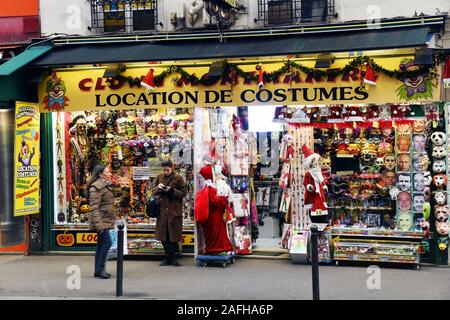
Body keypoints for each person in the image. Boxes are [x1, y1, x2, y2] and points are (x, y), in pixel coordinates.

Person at [151, 160, 186, 266]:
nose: (166, 172)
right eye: (164, 170)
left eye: (168, 170)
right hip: (162, 210)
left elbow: (183, 193)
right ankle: (168, 256)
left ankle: (174, 257)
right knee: (163, 235)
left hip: (174, 210)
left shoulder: (178, 178)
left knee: (173, 235)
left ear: (172, 168)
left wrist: (171, 190)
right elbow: (153, 190)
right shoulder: (159, 176)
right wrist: (158, 188)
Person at [88, 164, 115, 279]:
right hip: (101, 221)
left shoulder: (104, 185)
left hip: (105, 219)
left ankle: (98, 269)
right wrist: (99, 226)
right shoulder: (97, 187)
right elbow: (94, 208)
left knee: (101, 244)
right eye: (107, 172)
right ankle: (100, 269)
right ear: (100, 174)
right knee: (107, 242)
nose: (110, 173)